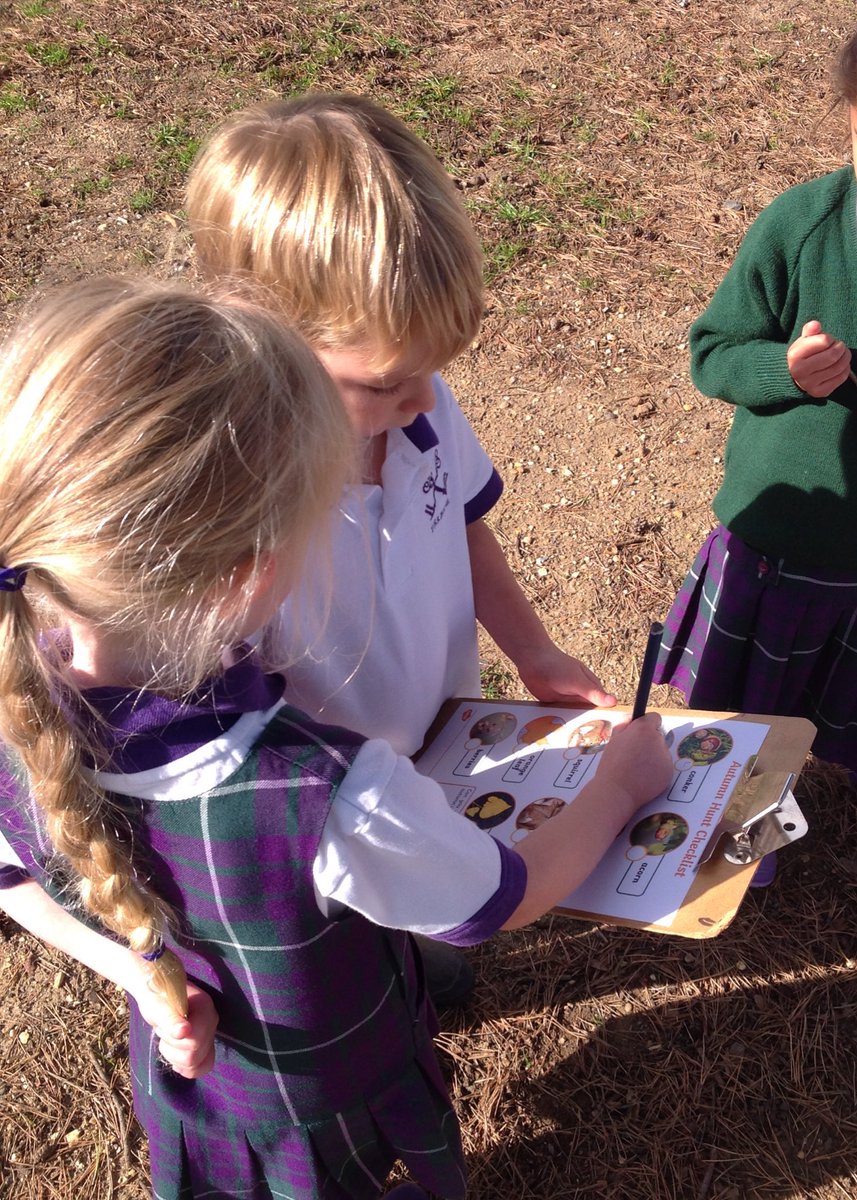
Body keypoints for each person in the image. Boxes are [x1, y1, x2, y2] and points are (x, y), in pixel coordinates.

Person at [0, 277, 673, 1200]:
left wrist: (143, 976)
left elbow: (14, 878)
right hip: (331, 1092)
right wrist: (620, 789)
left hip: (203, 1095)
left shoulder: (17, 703)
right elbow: (499, 902)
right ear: (253, 576)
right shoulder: (334, 794)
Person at [185, 93, 618, 1004]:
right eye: (386, 382)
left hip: (435, 743)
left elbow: (463, 518)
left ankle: (425, 952)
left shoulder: (419, 414)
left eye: (432, 368)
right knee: (354, 962)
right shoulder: (234, 514)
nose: (425, 400)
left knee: (438, 917)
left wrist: (533, 650)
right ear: (263, 343)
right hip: (328, 811)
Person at [654, 27, 857, 784]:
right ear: (850, 118)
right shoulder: (805, 227)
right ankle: (723, 825)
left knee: (830, 708)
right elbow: (715, 352)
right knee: (742, 735)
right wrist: (786, 372)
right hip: (784, 552)